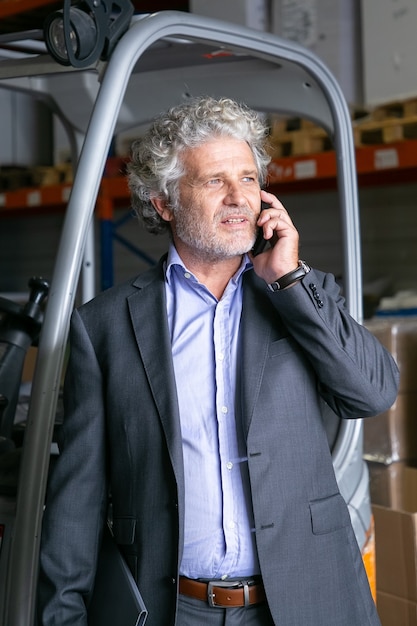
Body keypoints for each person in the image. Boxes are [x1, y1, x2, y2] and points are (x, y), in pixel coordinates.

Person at [38, 96, 399, 626]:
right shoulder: (106, 326)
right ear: (164, 202)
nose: (239, 198)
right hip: (175, 609)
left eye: (249, 179)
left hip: (309, 600)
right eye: (214, 181)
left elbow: (372, 393)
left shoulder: (302, 292)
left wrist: (289, 280)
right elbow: (78, 500)